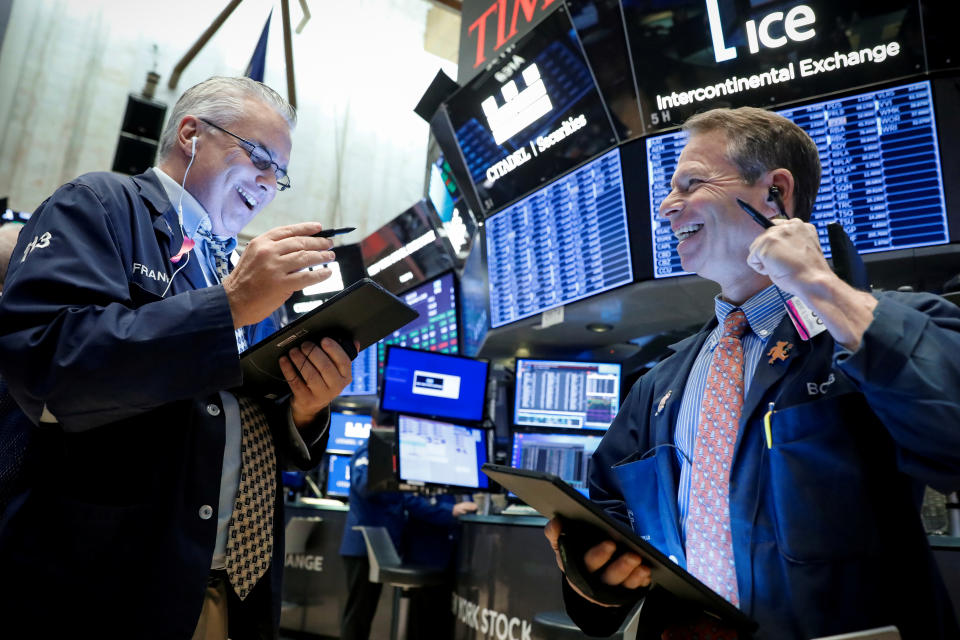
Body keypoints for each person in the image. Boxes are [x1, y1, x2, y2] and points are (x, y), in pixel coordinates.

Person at [544, 106, 960, 639]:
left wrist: (819, 284)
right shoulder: (659, 383)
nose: (667, 208)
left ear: (775, 194)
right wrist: (592, 571)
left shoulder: (865, 330)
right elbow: (610, 519)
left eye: (691, 183)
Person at [0, 77, 355, 639]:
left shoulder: (233, 267)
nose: (267, 183)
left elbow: (235, 416)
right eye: (260, 156)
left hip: (223, 588)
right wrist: (230, 306)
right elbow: (48, 372)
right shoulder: (100, 204)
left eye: (278, 174)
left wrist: (307, 410)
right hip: (102, 586)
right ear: (191, 133)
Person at [339, 411, 477, 640]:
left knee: (366, 612)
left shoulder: (395, 455)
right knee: (358, 614)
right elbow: (365, 486)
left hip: (383, 546)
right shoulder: (368, 451)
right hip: (364, 546)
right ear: (374, 425)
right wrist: (393, 473)